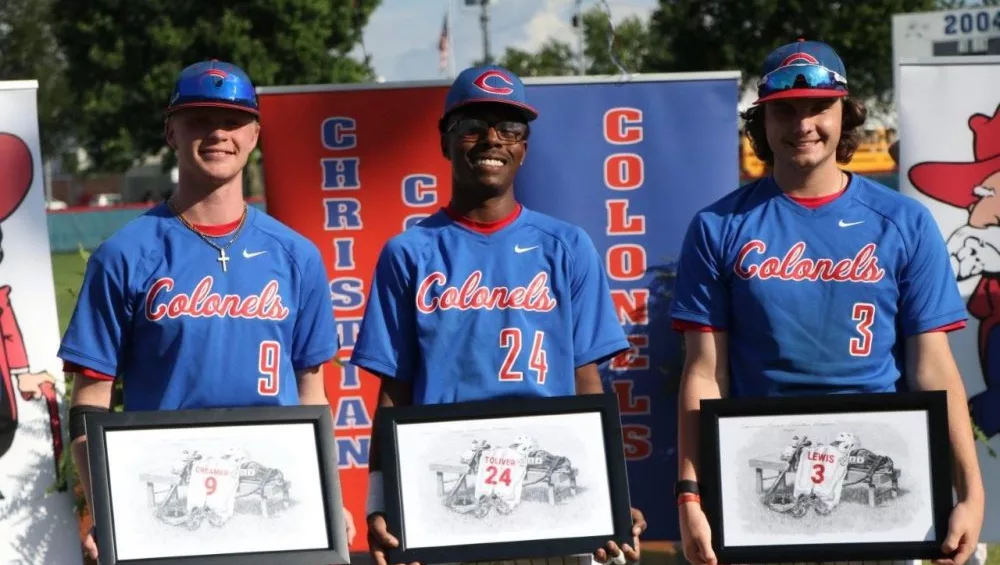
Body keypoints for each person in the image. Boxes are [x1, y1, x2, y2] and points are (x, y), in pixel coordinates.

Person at [670, 39, 984, 565]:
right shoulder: (717, 227)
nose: (803, 124)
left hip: (877, 461)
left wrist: (971, 493)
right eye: (786, 110)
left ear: (846, 114)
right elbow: (705, 374)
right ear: (761, 123)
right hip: (764, 466)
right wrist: (690, 494)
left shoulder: (903, 222)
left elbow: (933, 367)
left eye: (819, 107)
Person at [57, 59, 355, 560]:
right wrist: (106, 508)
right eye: (198, 119)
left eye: (233, 120)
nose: (217, 133)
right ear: (171, 131)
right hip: (172, 498)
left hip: (272, 493)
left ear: (255, 133)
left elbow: (312, 391)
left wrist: (329, 491)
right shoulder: (125, 255)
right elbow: (89, 399)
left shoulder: (297, 255)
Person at [351, 64, 647, 565]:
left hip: (543, 483)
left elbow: (586, 380)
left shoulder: (567, 247)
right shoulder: (408, 253)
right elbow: (394, 393)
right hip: (446, 490)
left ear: (524, 147)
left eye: (509, 129)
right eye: (472, 127)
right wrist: (380, 499)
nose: (491, 139)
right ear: (445, 142)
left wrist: (609, 493)